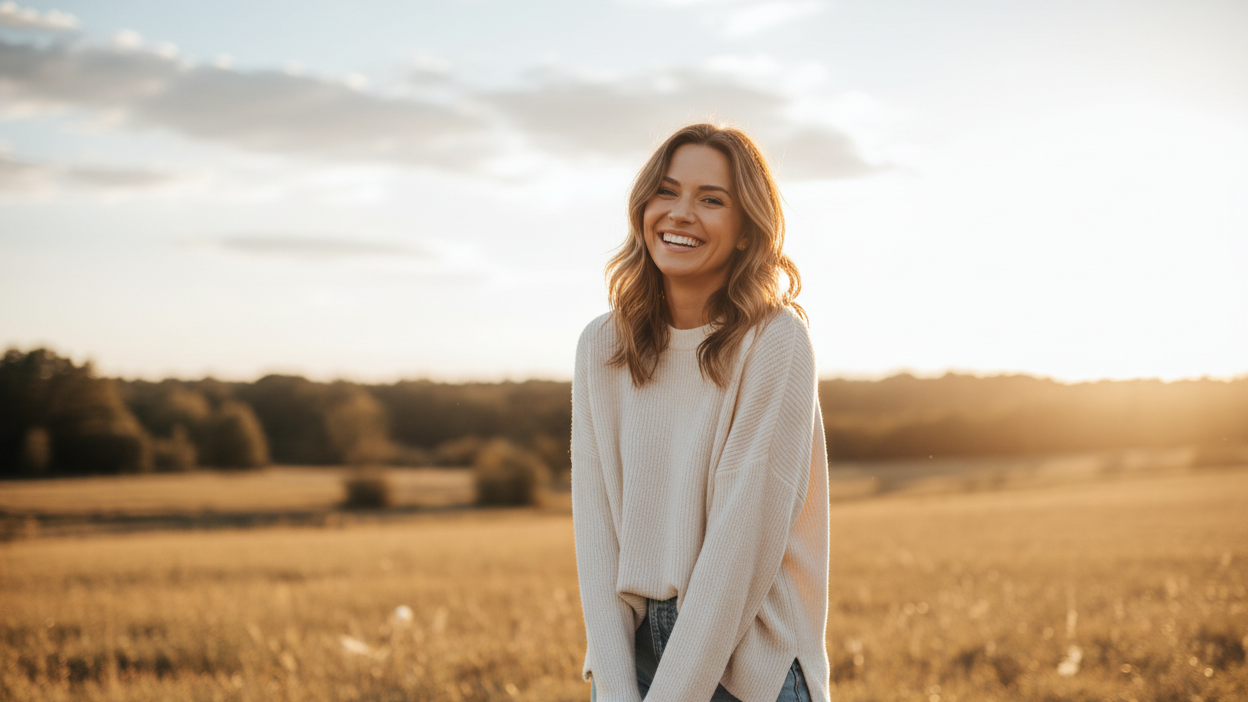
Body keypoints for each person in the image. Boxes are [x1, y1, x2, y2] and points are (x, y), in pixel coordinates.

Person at [572, 123, 830, 702]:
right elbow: (596, 533)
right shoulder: (601, 346)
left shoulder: (775, 342)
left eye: (711, 200)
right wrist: (613, 688)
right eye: (666, 192)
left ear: (746, 231)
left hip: (747, 664)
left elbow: (739, 547)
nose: (680, 213)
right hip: (634, 656)